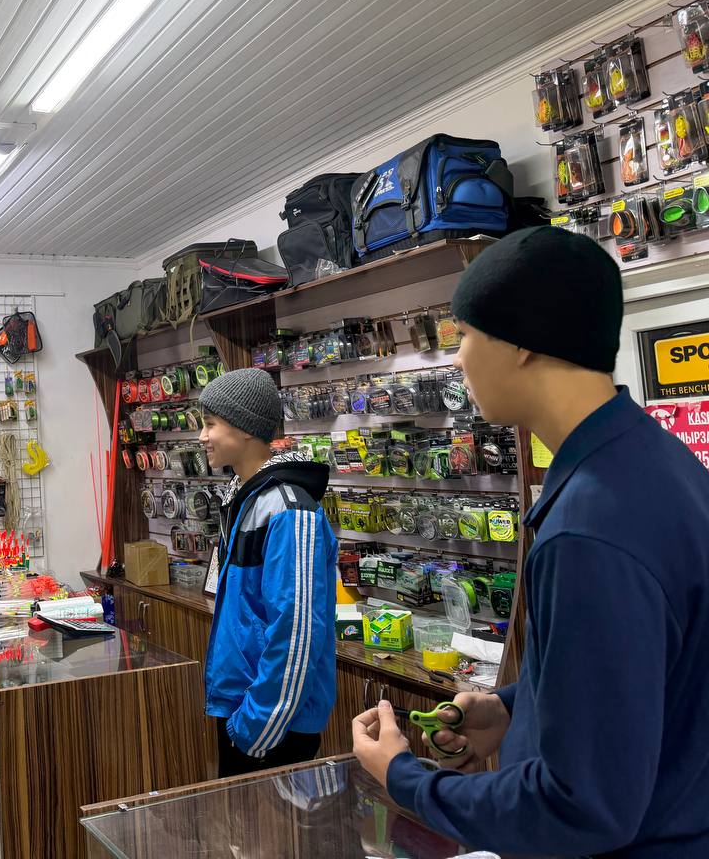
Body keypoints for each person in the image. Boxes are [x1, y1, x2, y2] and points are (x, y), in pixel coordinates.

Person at [352, 227, 709, 858]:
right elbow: (653, 678)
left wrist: (406, 779)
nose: (457, 358)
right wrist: (517, 709)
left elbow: (580, 807)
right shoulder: (655, 463)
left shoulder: (590, 529)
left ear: (521, 343)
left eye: (465, 334)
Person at [198, 367, 338, 777]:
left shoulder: (289, 510)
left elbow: (296, 632)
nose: (202, 436)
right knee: (243, 840)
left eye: (210, 424)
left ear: (243, 429)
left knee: (271, 841)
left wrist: (257, 726)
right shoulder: (247, 500)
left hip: (272, 725)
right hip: (244, 709)